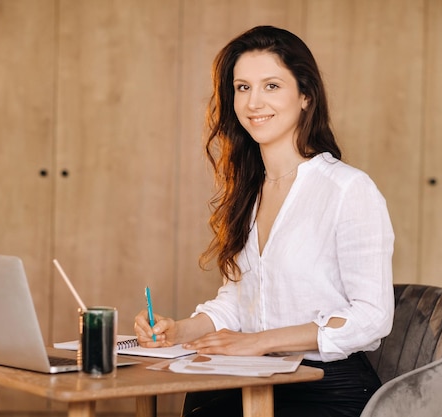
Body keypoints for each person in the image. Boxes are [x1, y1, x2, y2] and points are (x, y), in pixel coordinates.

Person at [134, 25, 395, 417]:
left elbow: (373, 316)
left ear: (305, 96)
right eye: (243, 88)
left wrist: (259, 342)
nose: (254, 102)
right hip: (253, 372)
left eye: (271, 86)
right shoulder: (248, 192)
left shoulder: (347, 189)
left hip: (324, 384)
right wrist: (178, 329)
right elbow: (238, 303)